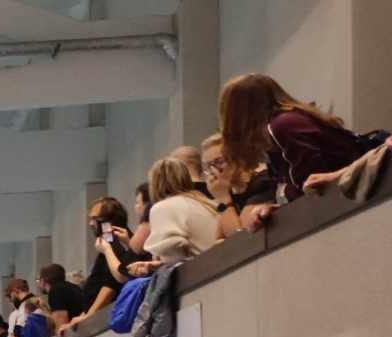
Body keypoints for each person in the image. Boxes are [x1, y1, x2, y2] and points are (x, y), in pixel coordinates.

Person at [220, 73, 374, 208]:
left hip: (363, 195)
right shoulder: (290, 121)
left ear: (235, 116)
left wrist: (283, 194)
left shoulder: (282, 126)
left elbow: (311, 185)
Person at [122, 157, 220, 277]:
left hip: (202, 277)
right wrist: (154, 265)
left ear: (155, 184)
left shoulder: (163, 207)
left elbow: (173, 257)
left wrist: (158, 263)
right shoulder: (205, 202)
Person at [72, 197, 142, 329]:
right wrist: (83, 315)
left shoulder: (113, 243)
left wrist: (88, 317)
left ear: (107, 221)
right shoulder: (110, 242)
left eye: (94, 219)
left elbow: (110, 285)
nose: (91, 224)